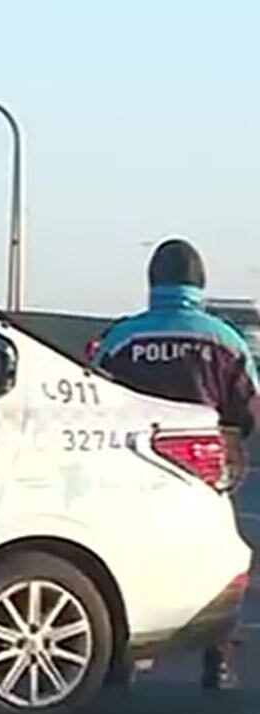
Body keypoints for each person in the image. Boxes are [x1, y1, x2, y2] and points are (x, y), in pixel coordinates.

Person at [93, 237, 258, 690]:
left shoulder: (122, 337)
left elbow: (92, 397)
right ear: (200, 284)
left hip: (131, 468)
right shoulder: (225, 340)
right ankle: (218, 658)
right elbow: (249, 410)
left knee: (121, 557)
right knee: (215, 563)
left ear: (152, 282)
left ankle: (121, 657)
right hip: (203, 470)